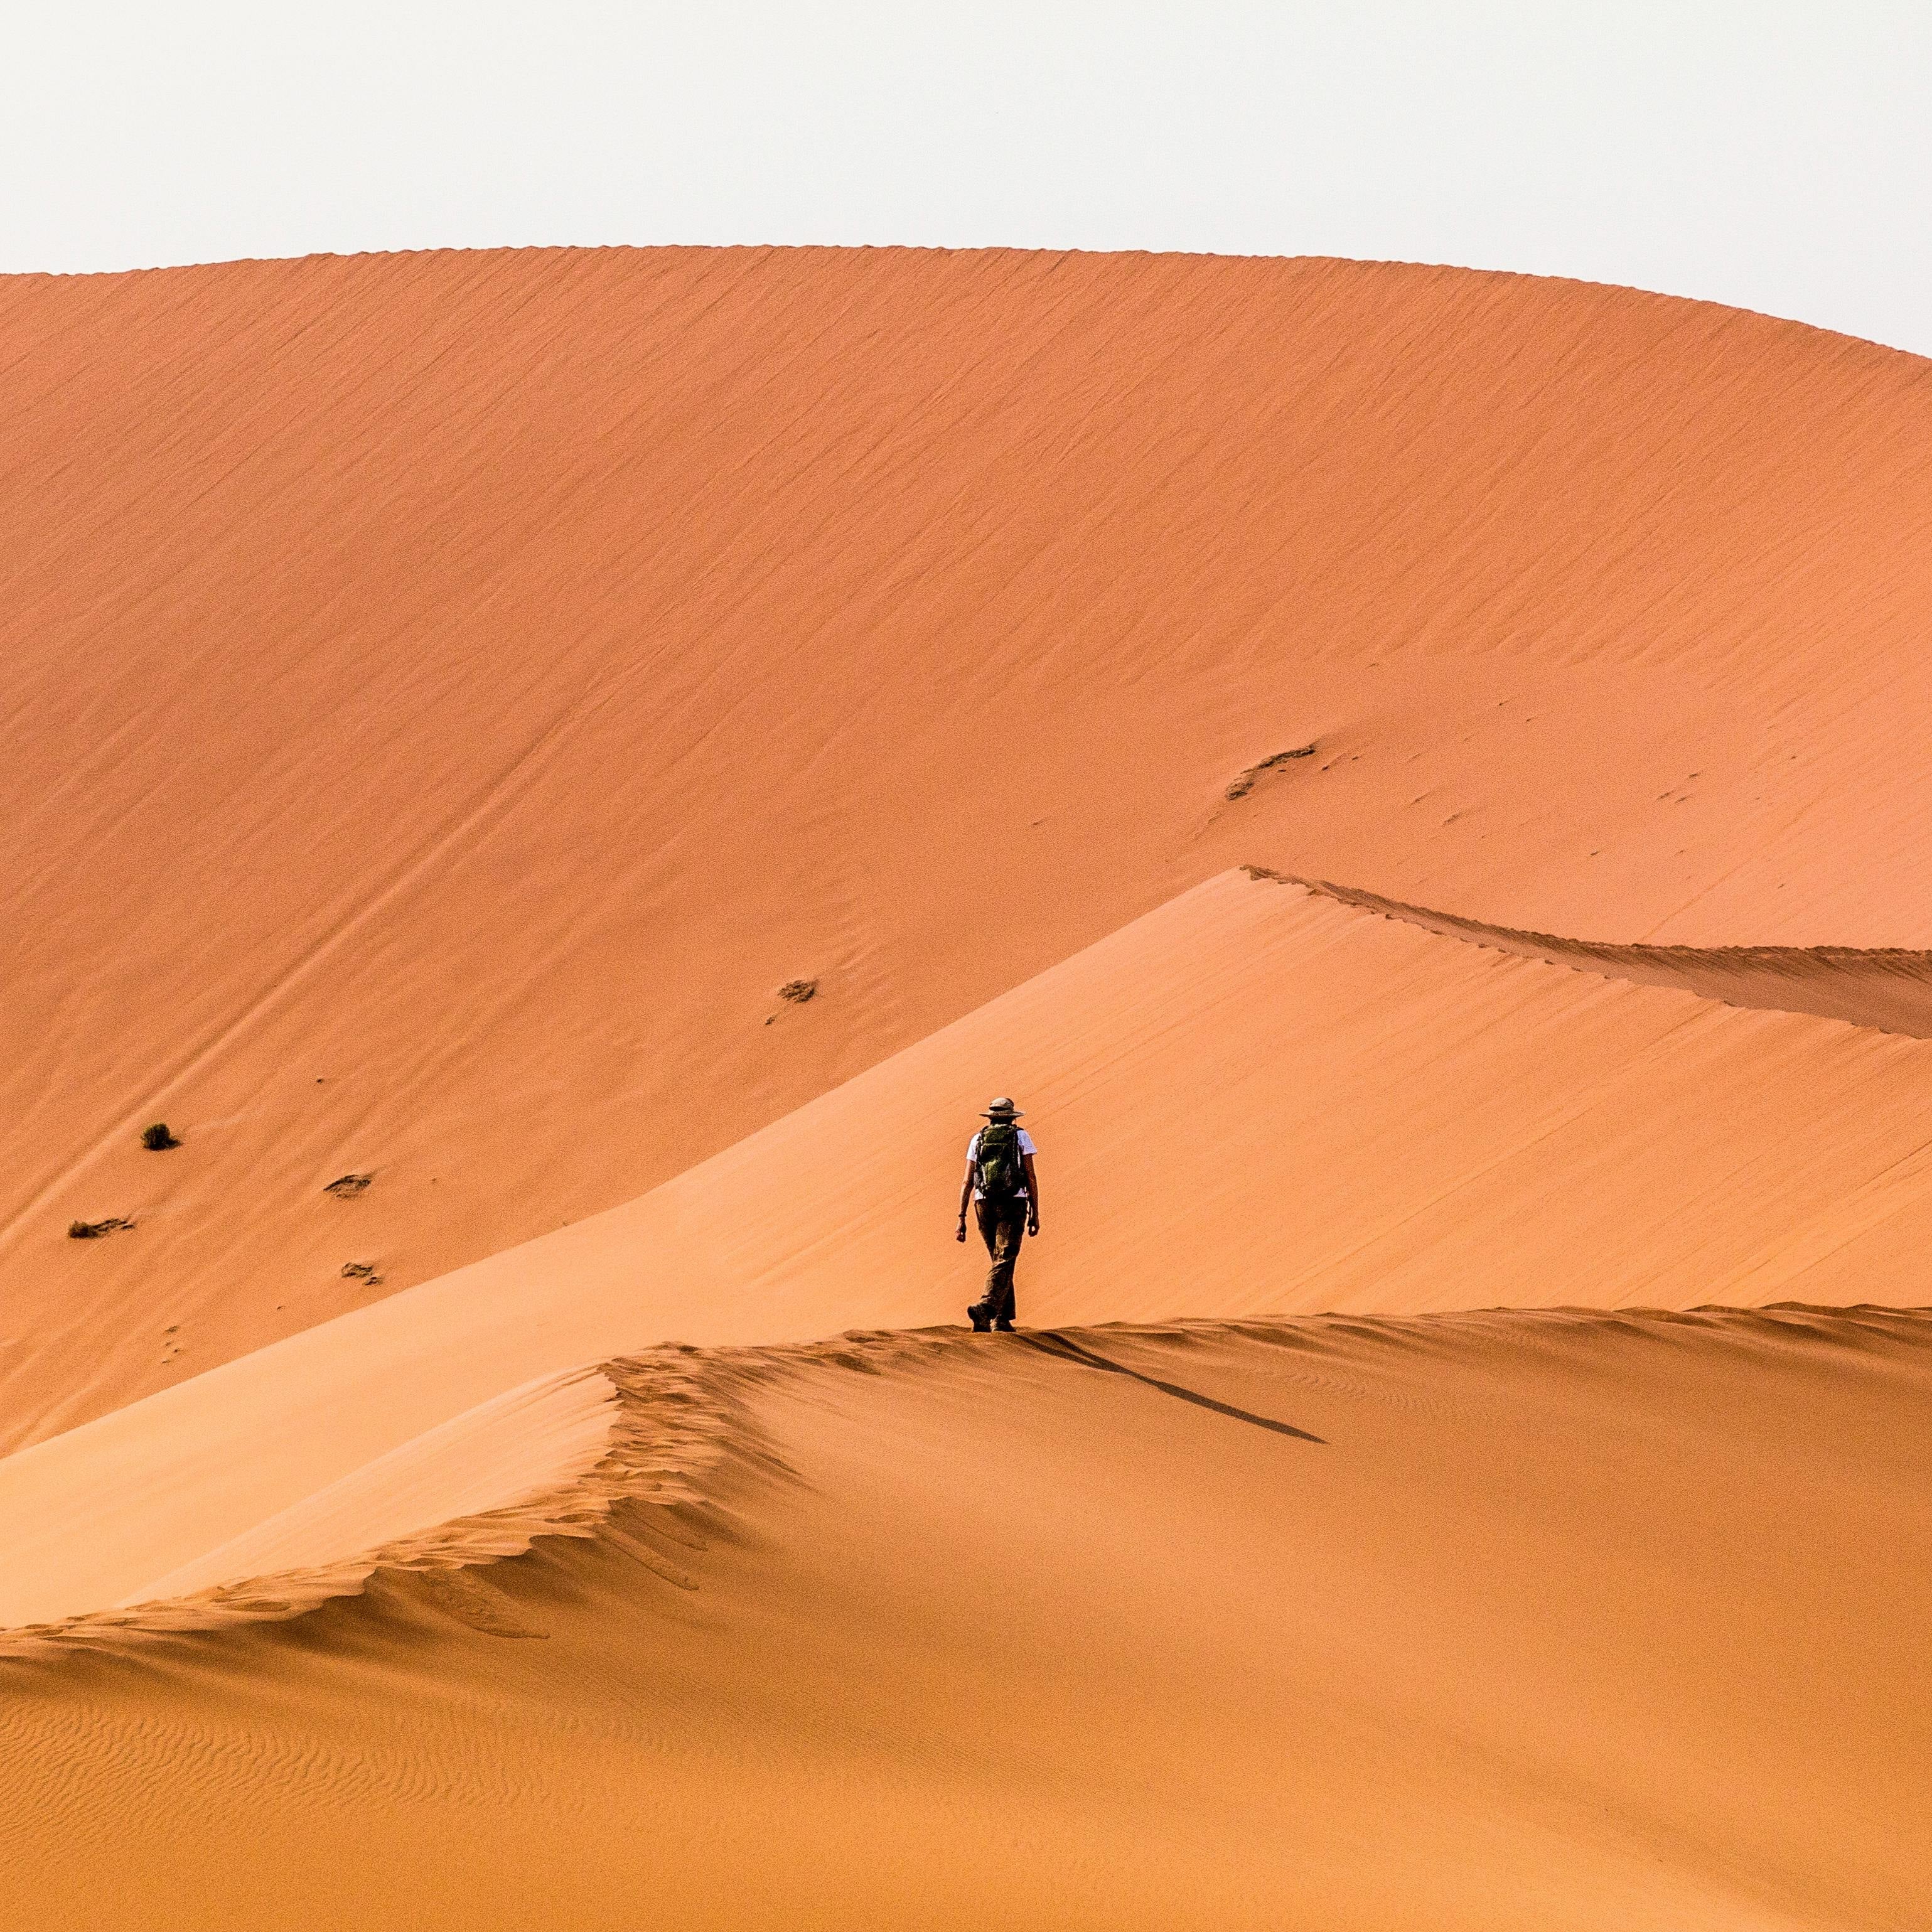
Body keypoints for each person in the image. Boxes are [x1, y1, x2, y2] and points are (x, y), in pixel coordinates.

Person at [956, 1097, 1039, 1331]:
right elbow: (1031, 1176)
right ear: (1013, 1117)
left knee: (1000, 1259)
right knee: (1005, 1258)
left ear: (990, 1117)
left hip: (983, 1204)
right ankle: (987, 1307)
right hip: (1014, 1202)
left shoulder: (978, 1139)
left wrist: (961, 1217)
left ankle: (1001, 1319)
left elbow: (967, 1181)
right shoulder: (1021, 1136)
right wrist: (1035, 1211)